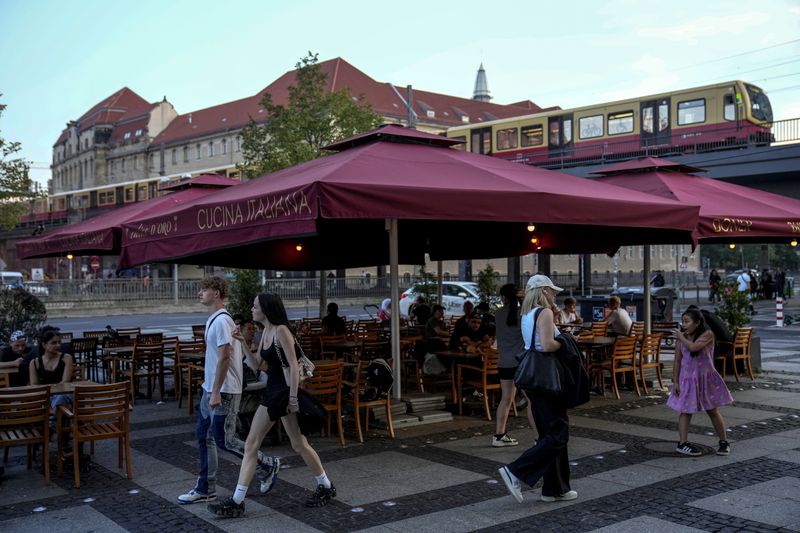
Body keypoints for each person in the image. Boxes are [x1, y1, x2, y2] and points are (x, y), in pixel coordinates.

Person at [208, 293, 337, 517]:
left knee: (251, 444)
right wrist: (243, 343)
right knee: (298, 444)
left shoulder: (281, 331)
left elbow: (294, 368)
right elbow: (257, 364)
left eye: (255, 305)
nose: (251, 308)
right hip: (277, 393)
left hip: (281, 394)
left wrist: (294, 398)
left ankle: (237, 501)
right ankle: (325, 485)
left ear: (265, 309)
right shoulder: (265, 331)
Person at [178, 276, 281, 506]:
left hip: (224, 390)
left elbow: (225, 357)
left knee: (226, 439)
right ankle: (205, 488)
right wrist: (209, 389)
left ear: (216, 293)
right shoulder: (214, 319)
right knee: (204, 436)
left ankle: (267, 464)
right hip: (211, 389)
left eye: (204, 289)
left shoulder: (222, 321)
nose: (199, 293)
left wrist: (215, 391)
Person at [499, 275, 576, 504]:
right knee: (559, 433)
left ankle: (555, 488)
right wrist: (566, 341)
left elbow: (532, 343)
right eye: (551, 291)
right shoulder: (544, 313)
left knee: (548, 434)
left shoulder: (527, 314)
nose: (554, 295)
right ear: (543, 291)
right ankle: (516, 471)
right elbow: (547, 344)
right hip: (546, 378)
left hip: (532, 377)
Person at [666, 307, 733, 457]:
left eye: (687, 321)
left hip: (705, 379)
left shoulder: (707, 334)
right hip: (687, 380)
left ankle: (723, 442)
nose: (683, 325)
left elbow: (694, 347)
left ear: (697, 323)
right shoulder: (682, 338)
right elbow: (677, 360)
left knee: (713, 410)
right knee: (685, 410)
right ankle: (682, 443)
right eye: (682, 321)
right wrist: (675, 381)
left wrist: (680, 337)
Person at [493, 284, 536, 448]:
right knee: (531, 400)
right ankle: (538, 437)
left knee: (506, 399)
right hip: (521, 363)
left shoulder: (497, 314)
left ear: (503, 297)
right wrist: (525, 299)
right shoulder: (524, 314)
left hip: (504, 362)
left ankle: (499, 435)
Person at [29, 328, 74, 417]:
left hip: (64, 393)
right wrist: (48, 394)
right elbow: (34, 386)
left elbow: (65, 383)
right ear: (44, 345)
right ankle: (58, 425)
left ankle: (52, 424)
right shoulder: (35, 363)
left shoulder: (66, 358)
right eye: (53, 343)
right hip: (46, 396)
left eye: (59, 342)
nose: (58, 345)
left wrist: (50, 392)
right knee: (58, 401)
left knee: (61, 397)